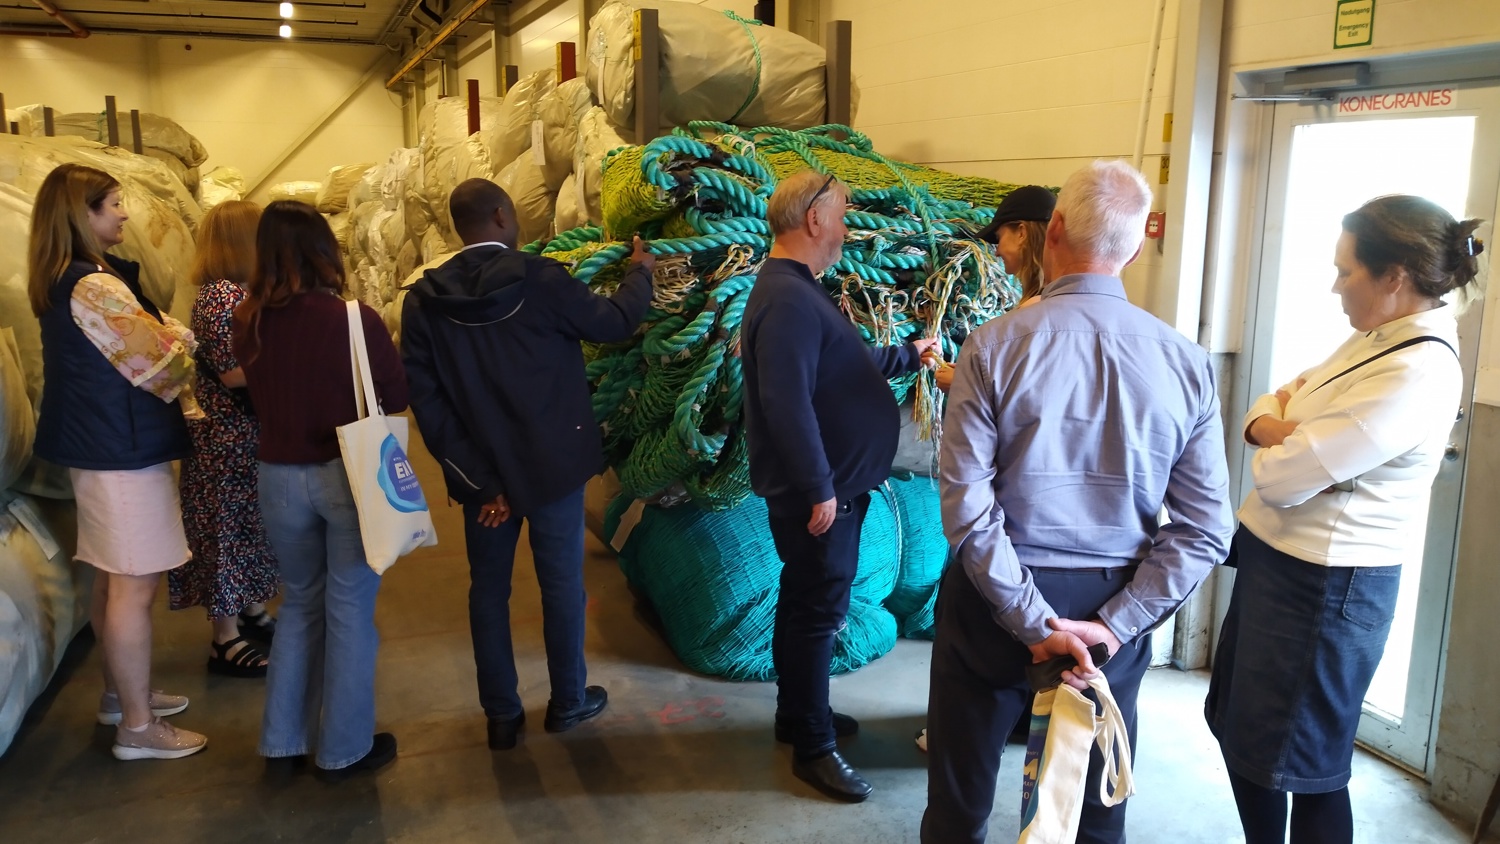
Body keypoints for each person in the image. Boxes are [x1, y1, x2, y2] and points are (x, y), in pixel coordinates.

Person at [923, 159, 1234, 844]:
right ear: (1133, 248)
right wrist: (1119, 623)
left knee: (959, 803)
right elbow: (1207, 526)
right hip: (1110, 604)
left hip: (996, 593)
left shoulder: (994, 347)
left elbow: (968, 509)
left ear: (1055, 228)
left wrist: (1033, 622)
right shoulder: (1185, 362)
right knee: (1093, 811)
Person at [1205, 196, 1482, 844]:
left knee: (1303, 762)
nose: (1335, 286)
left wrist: (1279, 431)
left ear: (1395, 276)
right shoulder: (1373, 340)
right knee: (1245, 733)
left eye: (1346, 271)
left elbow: (1279, 475)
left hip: (1326, 587)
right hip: (1282, 565)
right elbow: (1276, 403)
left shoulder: (1416, 369)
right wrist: (1280, 426)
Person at [401, 178, 655, 750]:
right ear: (502, 215)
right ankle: (568, 701)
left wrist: (480, 483)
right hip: (552, 472)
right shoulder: (541, 280)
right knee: (561, 584)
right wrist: (641, 270)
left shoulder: (423, 302)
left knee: (487, 591)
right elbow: (615, 324)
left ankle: (501, 717)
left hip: (482, 483)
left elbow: (428, 402)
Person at [741, 170, 940, 803]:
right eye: (843, 214)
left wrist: (908, 355)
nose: (848, 227)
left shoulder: (798, 292)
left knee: (805, 602)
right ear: (814, 220)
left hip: (827, 489)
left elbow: (843, 360)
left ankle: (797, 716)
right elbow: (786, 402)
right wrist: (820, 487)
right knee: (817, 613)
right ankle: (813, 747)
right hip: (819, 498)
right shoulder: (787, 299)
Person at [28, 162, 208, 760]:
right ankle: (137, 728)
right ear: (84, 215)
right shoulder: (94, 286)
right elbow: (162, 367)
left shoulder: (63, 280)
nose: (125, 213)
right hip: (122, 452)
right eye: (113, 204)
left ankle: (120, 696)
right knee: (133, 587)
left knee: (112, 580)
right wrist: (179, 338)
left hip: (99, 448)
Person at [234, 200, 408, 781]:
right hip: (346, 475)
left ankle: (281, 744)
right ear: (323, 250)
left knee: (301, 606)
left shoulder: (247, 320)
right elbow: (395, 395)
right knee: (351, 610)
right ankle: (343, 749)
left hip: (277, 478)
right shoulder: (354, 319)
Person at [170, 199, 279, 678]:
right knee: (225, 533)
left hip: (242, 434)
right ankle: (225, 640)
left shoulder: (238, 291)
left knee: (249, 525)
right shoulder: (222, 297)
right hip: (225, 438)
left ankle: (250, 608)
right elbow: (233, 373)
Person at [935, 185, 1057, 394]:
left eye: (999, 238)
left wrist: (965, 384)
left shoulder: (1035, 312)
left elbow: (1031, 394)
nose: (997, 251)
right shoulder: (1056, 299)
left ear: (1021, 232)